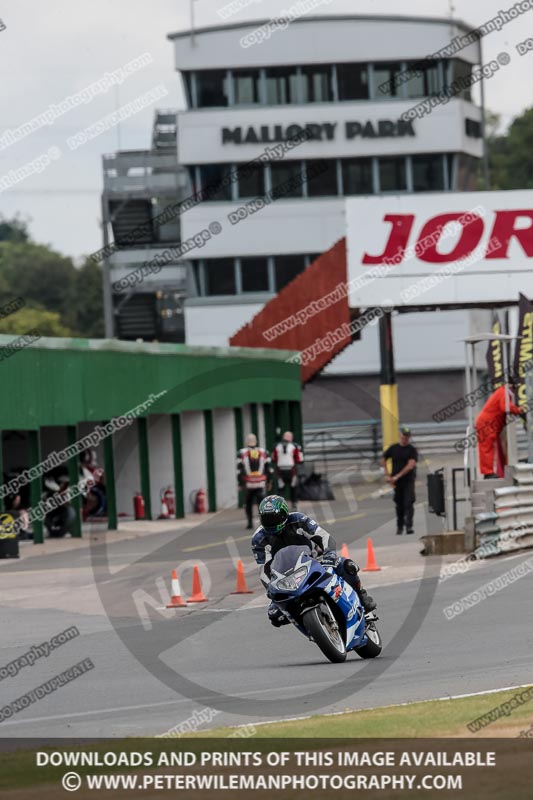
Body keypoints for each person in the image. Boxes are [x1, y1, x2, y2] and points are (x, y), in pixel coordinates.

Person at [251, 494, 376, 627]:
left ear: (284, 514)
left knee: (346, 565)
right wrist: (270, 587)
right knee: (274, 615)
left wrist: (330, 554)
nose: (271, 522)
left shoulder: (298, 520)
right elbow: (264, 569)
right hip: (285, 578)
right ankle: (311, 626)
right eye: (266, 518)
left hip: (314, 561)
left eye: (274, 518)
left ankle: (361, 596)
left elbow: (323, 536)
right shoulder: (259, 538)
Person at [475, 380, 525, 478]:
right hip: (487, 423)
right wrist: (518, 410)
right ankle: (487, 473)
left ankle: (488, 472)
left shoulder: (502, 391)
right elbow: (505, 407)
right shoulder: (503, 392)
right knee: (487, 448)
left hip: (488, 422)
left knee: (487, 448)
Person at [381, 426, 418, 535]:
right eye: (403, 435)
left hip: (408, 481)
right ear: (400, 435)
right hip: (396, 482)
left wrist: (398, 475)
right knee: (399, 504)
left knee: (409, 503)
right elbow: (383, 460)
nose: (405, 438)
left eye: (407, 436)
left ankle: (409, 526)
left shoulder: (411, 450)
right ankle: (400, 526)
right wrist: (387, 475)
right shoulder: (393, 448)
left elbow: (411, 465)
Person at [237, 433, 272, 530]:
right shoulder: (264, 452)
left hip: (249, 484)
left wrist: (240, 483)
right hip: (260, 483)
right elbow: (269, 468)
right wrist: (269, 481)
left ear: (246, 442)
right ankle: (265, 522)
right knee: (262, 503)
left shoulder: (241, 453)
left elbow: (239, 470)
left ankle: (250, 522)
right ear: (256, 441)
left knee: (248, 503)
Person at [272, 430, 303, 511]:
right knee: (293, 488)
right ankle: (294, 505)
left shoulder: (276, 446)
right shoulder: (295, 446)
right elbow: (299, 459)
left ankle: (279, 506)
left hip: (280, 471)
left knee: (281, 489)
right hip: (291, 470)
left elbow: (274, 459)